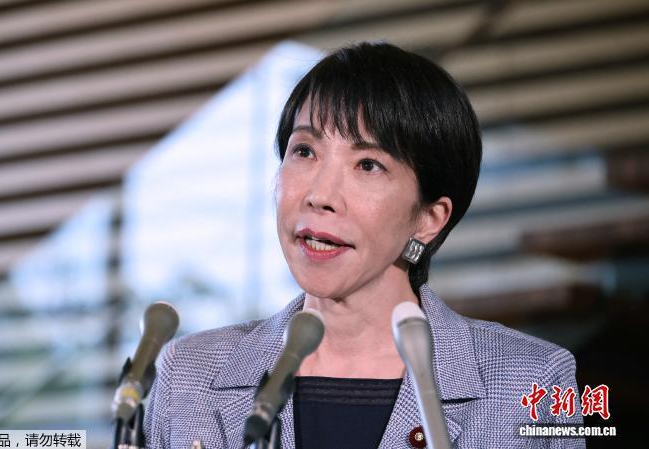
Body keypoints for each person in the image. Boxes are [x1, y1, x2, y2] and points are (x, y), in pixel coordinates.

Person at [143, 42, 585, 449]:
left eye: (368, 164)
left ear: (429, 218)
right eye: (304, 151)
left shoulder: (531, 382)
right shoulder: (188, 377)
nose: (320, 195)